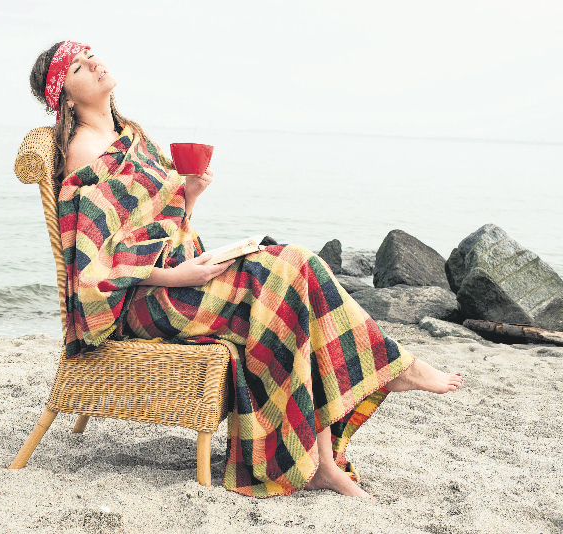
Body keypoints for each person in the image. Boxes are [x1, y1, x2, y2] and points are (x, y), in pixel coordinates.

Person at [28, 41, 464, 500]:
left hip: (182, 276)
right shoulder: (82, 152)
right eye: (78, 67)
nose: (95, 63)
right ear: (65, 96)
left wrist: (190, 195)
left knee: (296, 273)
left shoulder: (133, 136)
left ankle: (323, 463)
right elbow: (97, 265)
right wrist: (178, 277)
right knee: (291, 267)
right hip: (145, 301)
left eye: (91, 54)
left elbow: (163, 228)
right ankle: (392, 370)